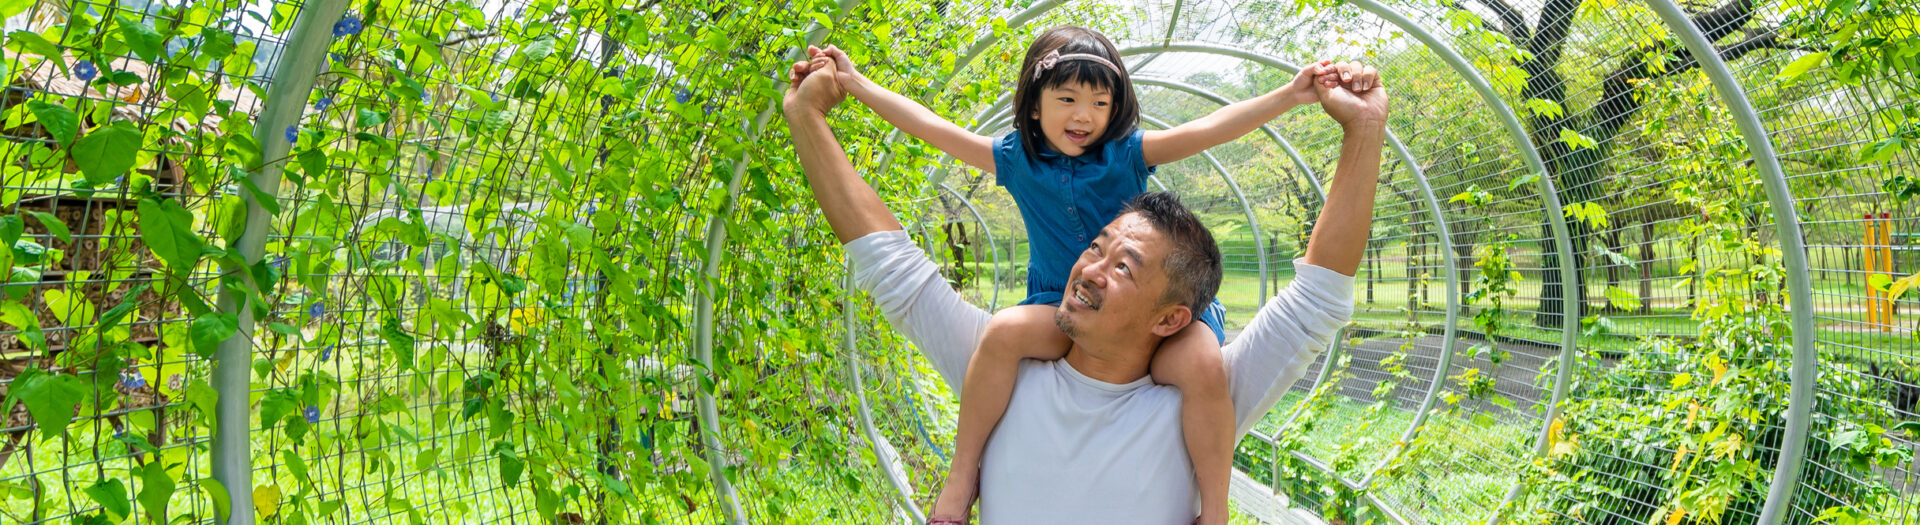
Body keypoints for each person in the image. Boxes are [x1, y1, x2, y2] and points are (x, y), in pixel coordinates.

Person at [783, 43, 1388, 523]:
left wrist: (1361, 129)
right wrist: (809, 114)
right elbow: (891, 264)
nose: (1089, 268)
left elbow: (1316, 300)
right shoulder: (1001, 364)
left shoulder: (1198, 399)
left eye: (1124, 266)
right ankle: (958, 477)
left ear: (1171, 316)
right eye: (1095, 247)